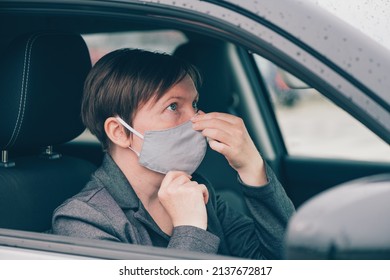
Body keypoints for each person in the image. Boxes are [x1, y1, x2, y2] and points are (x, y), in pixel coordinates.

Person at [52, 48, 295, 259]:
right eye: (173, 106)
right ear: (119, 132)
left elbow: (280, 261)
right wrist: (190, 228)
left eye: (195, 104)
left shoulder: (199, 189)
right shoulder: (83, 221)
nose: (197, 120)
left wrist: (252, 167)